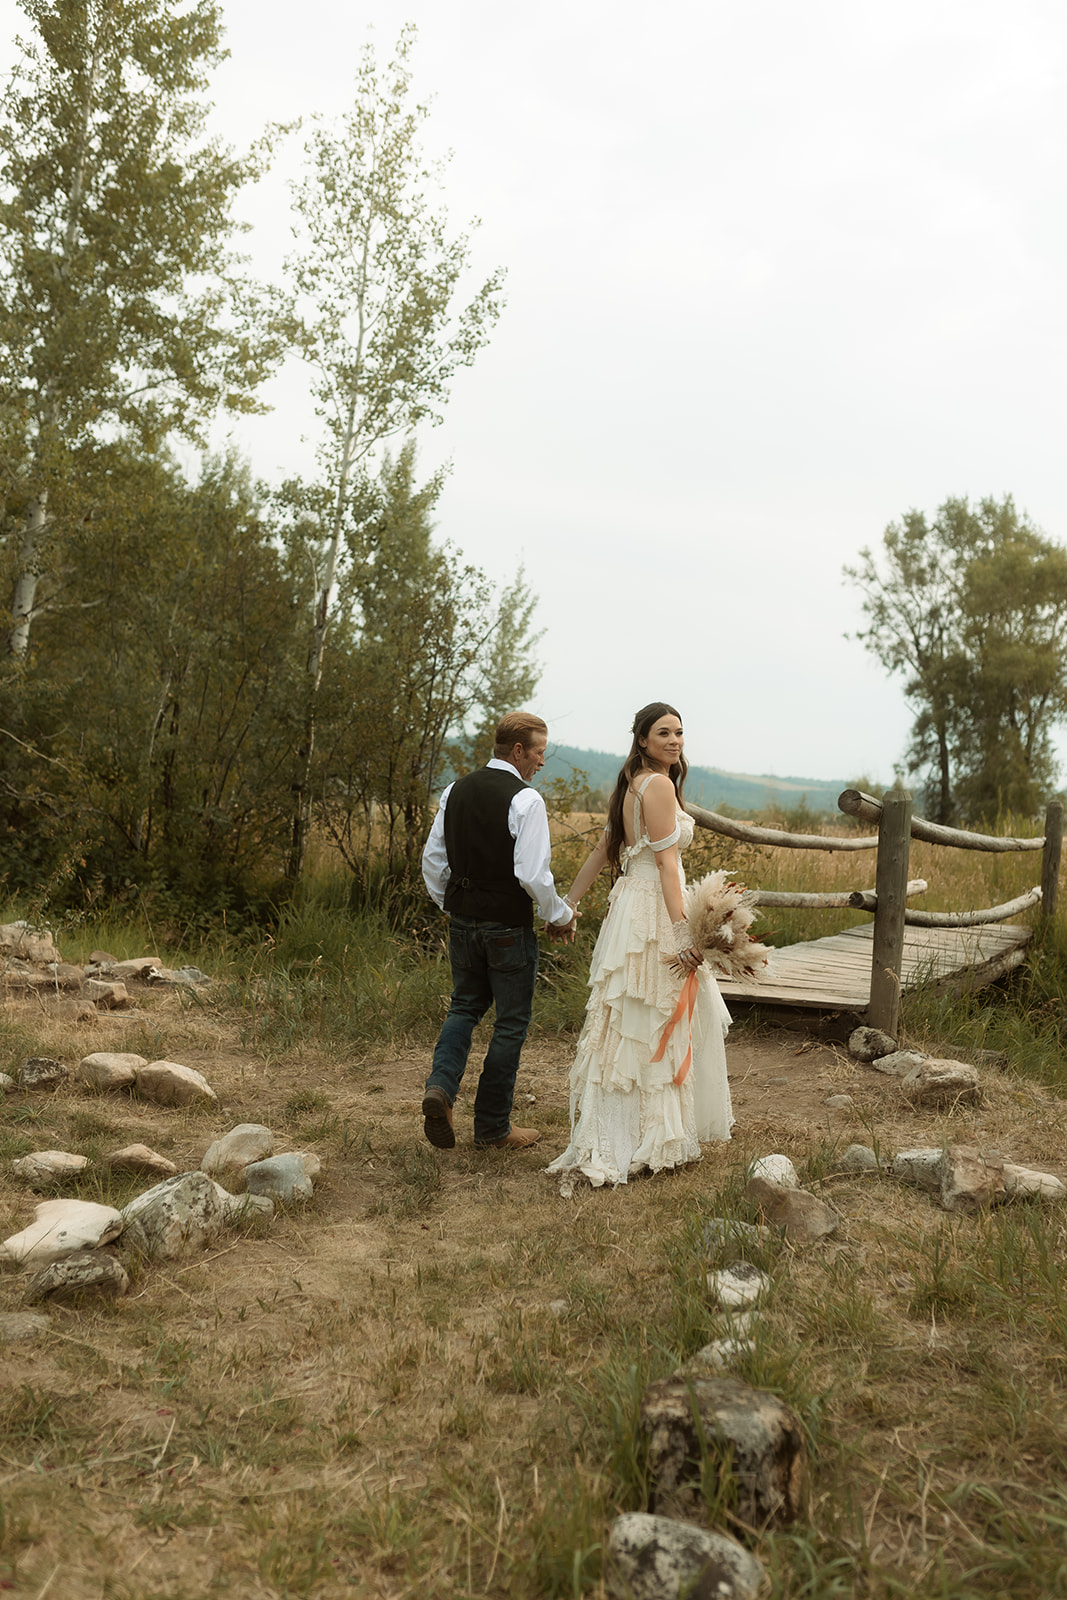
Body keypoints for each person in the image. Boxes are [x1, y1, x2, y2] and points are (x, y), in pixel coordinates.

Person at [545, 702, 733, 1187]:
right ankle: (649, 1134)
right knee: (653, 1010)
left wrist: (566, 903)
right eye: (663, 733)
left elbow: (605, 849)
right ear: (643, 740)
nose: (674, 741)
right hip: (653, 904)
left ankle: (621, 1126)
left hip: (629, 900)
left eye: (679, 732)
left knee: (628, 1014)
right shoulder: (660, 785)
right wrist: (681, 936)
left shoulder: (630, 783)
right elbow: (668, 866)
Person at [421, 711, 577, 1151]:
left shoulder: (454, 791)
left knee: (464, 1008)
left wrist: (454, 905)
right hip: (507, 929)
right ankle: (491, 1126)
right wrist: (560, 914)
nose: (542, 762)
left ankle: (441, 1089)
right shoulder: (526, 800)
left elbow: (433, 863)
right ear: (518, 751)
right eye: (540, 752)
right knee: (510, 1023)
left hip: (462, 923)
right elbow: (532, 874)